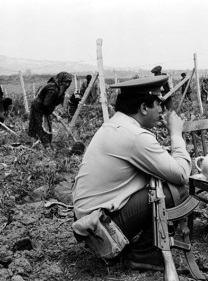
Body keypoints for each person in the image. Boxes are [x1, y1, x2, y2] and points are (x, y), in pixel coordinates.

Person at [72, 75, 191, 271]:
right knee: (176, 190)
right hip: (99, 230)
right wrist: (176, 134)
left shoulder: (115, 124)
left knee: (159, 184)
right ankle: (142, 255)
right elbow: (180, 174)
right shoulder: (135, 137)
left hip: (88, 222)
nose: (161, 111)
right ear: (144, 108)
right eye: (157, 104)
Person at [27, 72, 72, 149]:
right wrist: (54, 115)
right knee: (40, 126)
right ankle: (46, 146)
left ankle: (49, 144)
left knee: (48, 126)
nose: (67, 84)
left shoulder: (61, 88)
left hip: (45, 109)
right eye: (66, 82)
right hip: (38, 107)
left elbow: (55, 103)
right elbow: (46, 104)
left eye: (69, 82)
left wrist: (56, 115)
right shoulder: (52, 89)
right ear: (61, 81)